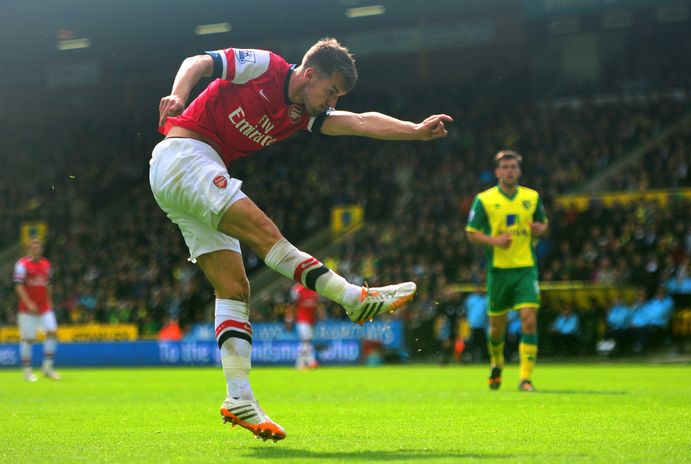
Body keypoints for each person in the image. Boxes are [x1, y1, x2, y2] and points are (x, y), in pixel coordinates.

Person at [151, 38, 452, 441]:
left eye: (338, 97)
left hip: (187, 172)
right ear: (310, 74)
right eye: (331, 91)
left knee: (234, 288)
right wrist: (178, 95)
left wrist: (414, 131)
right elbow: (198, 61)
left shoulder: (302, 114)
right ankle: (353, 298)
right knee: (268, 237)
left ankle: (238, 397)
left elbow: (360, 122)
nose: (332, 102)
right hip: (186, 155)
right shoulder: (266, 67)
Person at [465, 150, 548, 392]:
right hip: (499, 271)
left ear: (519, 171)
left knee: (529, 320)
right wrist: (495, 242)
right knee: (496, 328)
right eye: (505, 167)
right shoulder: (484, 199)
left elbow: (543, 223)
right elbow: (471, 232)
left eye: (513, 167)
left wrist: (540, 228)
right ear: (497, 172)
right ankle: (497, 363)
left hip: (526, 268)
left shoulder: (532, 197)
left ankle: (525, 378)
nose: (509, 171)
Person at [14, 238, 60, 382]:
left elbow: (48, 285)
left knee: (52, 332)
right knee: (28, 339)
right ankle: (27, 372)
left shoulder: (46, 264)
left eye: (38, 246)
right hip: (27, 309)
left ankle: (47, 368)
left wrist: (49, 302)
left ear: (41, 249)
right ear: (28, 249)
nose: (36, 248)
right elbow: (18, 286)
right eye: (33, 246)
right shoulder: (22, 264)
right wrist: (28, 303)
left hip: (44, 307)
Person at [290, 283, 319, 370]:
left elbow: (316, 306)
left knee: (306, 342)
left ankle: (300, 363)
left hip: (311, 321)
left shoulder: (314, 290)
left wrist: (316, 317)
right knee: (306, 340)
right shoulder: (298, 289)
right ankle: (311, 361)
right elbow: (293, 304)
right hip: (301, 319)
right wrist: (292, 317)